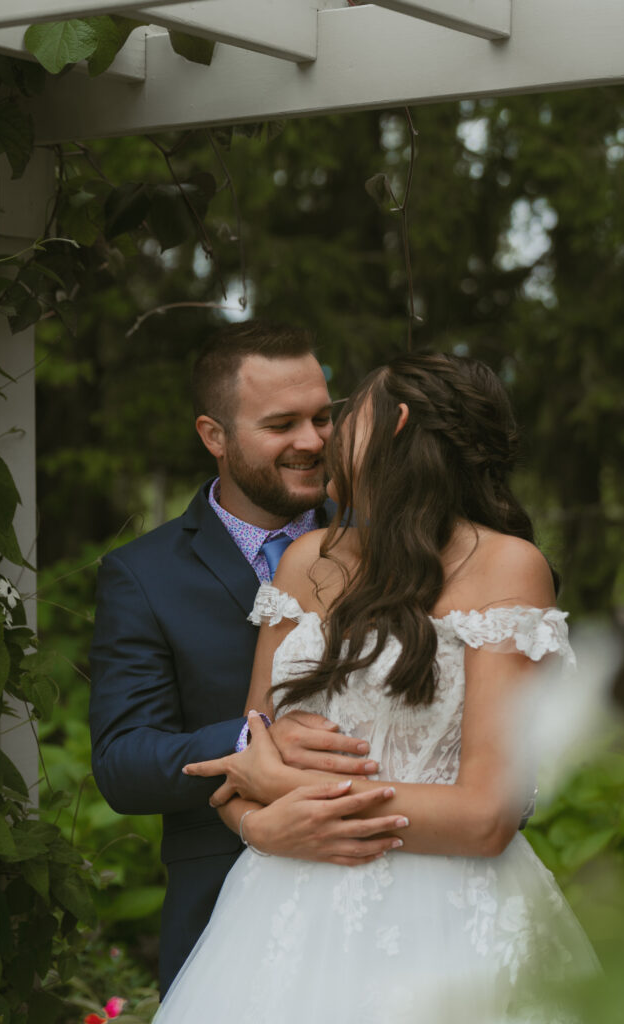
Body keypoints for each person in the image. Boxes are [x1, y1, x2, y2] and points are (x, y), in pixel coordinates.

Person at [153, 351, 599, 1023]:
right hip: (279, 915)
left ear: (392, 424)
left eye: (344, 417)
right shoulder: (308, 561)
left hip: (447, 921)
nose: (328, 437)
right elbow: (248, 762)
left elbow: (484, 818)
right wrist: (261, 824)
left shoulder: (506, 567)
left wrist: (290, 789)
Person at [88, 321, 401, 997]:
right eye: (281, 423)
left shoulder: (396, 548)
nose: (313, 441)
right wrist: (251, 742)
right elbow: (124, 761)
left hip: (401, 906)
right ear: (213, 436)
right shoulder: (141, 575)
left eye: (323, 417)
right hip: (225, 921)